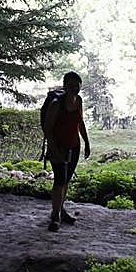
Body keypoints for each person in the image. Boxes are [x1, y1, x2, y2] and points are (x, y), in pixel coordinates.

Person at [43, 71, 90, 231]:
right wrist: (54, 149)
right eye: (70, 85)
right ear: (65, 86)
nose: (74, 88)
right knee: (59, 181)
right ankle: (55, 216)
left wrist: (87, 142)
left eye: (76, 85)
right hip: (58, 147)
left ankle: (60, 210)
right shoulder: (57, 103)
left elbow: (80, 123)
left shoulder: (79, 101)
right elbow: (48, 129)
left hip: (73, 146)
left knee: (66, 180)